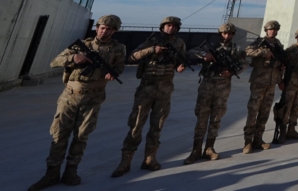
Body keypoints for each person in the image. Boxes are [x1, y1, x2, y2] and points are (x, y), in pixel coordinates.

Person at [29, 15, 126, 191]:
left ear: (114, 31)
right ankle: (51, 173)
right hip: (70, 95)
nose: (104, 31)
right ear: (97, 28)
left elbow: (119, 67)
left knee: (81, 136)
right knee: (59, 134)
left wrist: (112, 74)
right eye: (102, 27)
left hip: (94, 97)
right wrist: (74, 58)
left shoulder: (119, 48)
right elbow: (54, 61)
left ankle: (71, 171)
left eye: (109, 29)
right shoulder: (82, 45)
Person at [111, 16, 187, 177]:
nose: (171, 28)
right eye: (168, 25)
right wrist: (153, 50)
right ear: (162, 27)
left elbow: (181, 60)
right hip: (146, 87)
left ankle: (150, 158)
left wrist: (181, 66)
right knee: (136, 124)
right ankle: (125, 161)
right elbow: (132, 57)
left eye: (174, 26)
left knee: (157, 125)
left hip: (165, 88)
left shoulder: (179, 43)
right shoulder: (151, 41)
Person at [182, 22, 247, 165]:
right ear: (220, 34)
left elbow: (245, 63)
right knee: (202, 116)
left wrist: (232, 71)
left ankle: (209, 148)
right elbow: (190, 52)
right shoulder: (209, 46)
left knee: (216, 117)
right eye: (224, 33)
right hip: (207, 85)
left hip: (223, 86)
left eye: (230, 33)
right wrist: (204, 55)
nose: (227, 36)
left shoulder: (235, 49)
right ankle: (196, 150)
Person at [242, 20, 284, 153]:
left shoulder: (278, 44)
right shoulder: (259, 42)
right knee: (253, 111)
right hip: (259, 82)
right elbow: (248, 51)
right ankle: (248, 141)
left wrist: (281, 69)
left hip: (271, 83)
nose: (272, 31)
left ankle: (258, 139)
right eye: (270, 29)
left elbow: (280, 60)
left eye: (275, 29)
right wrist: (264, 52)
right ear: (266, 30)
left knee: (265, 112)